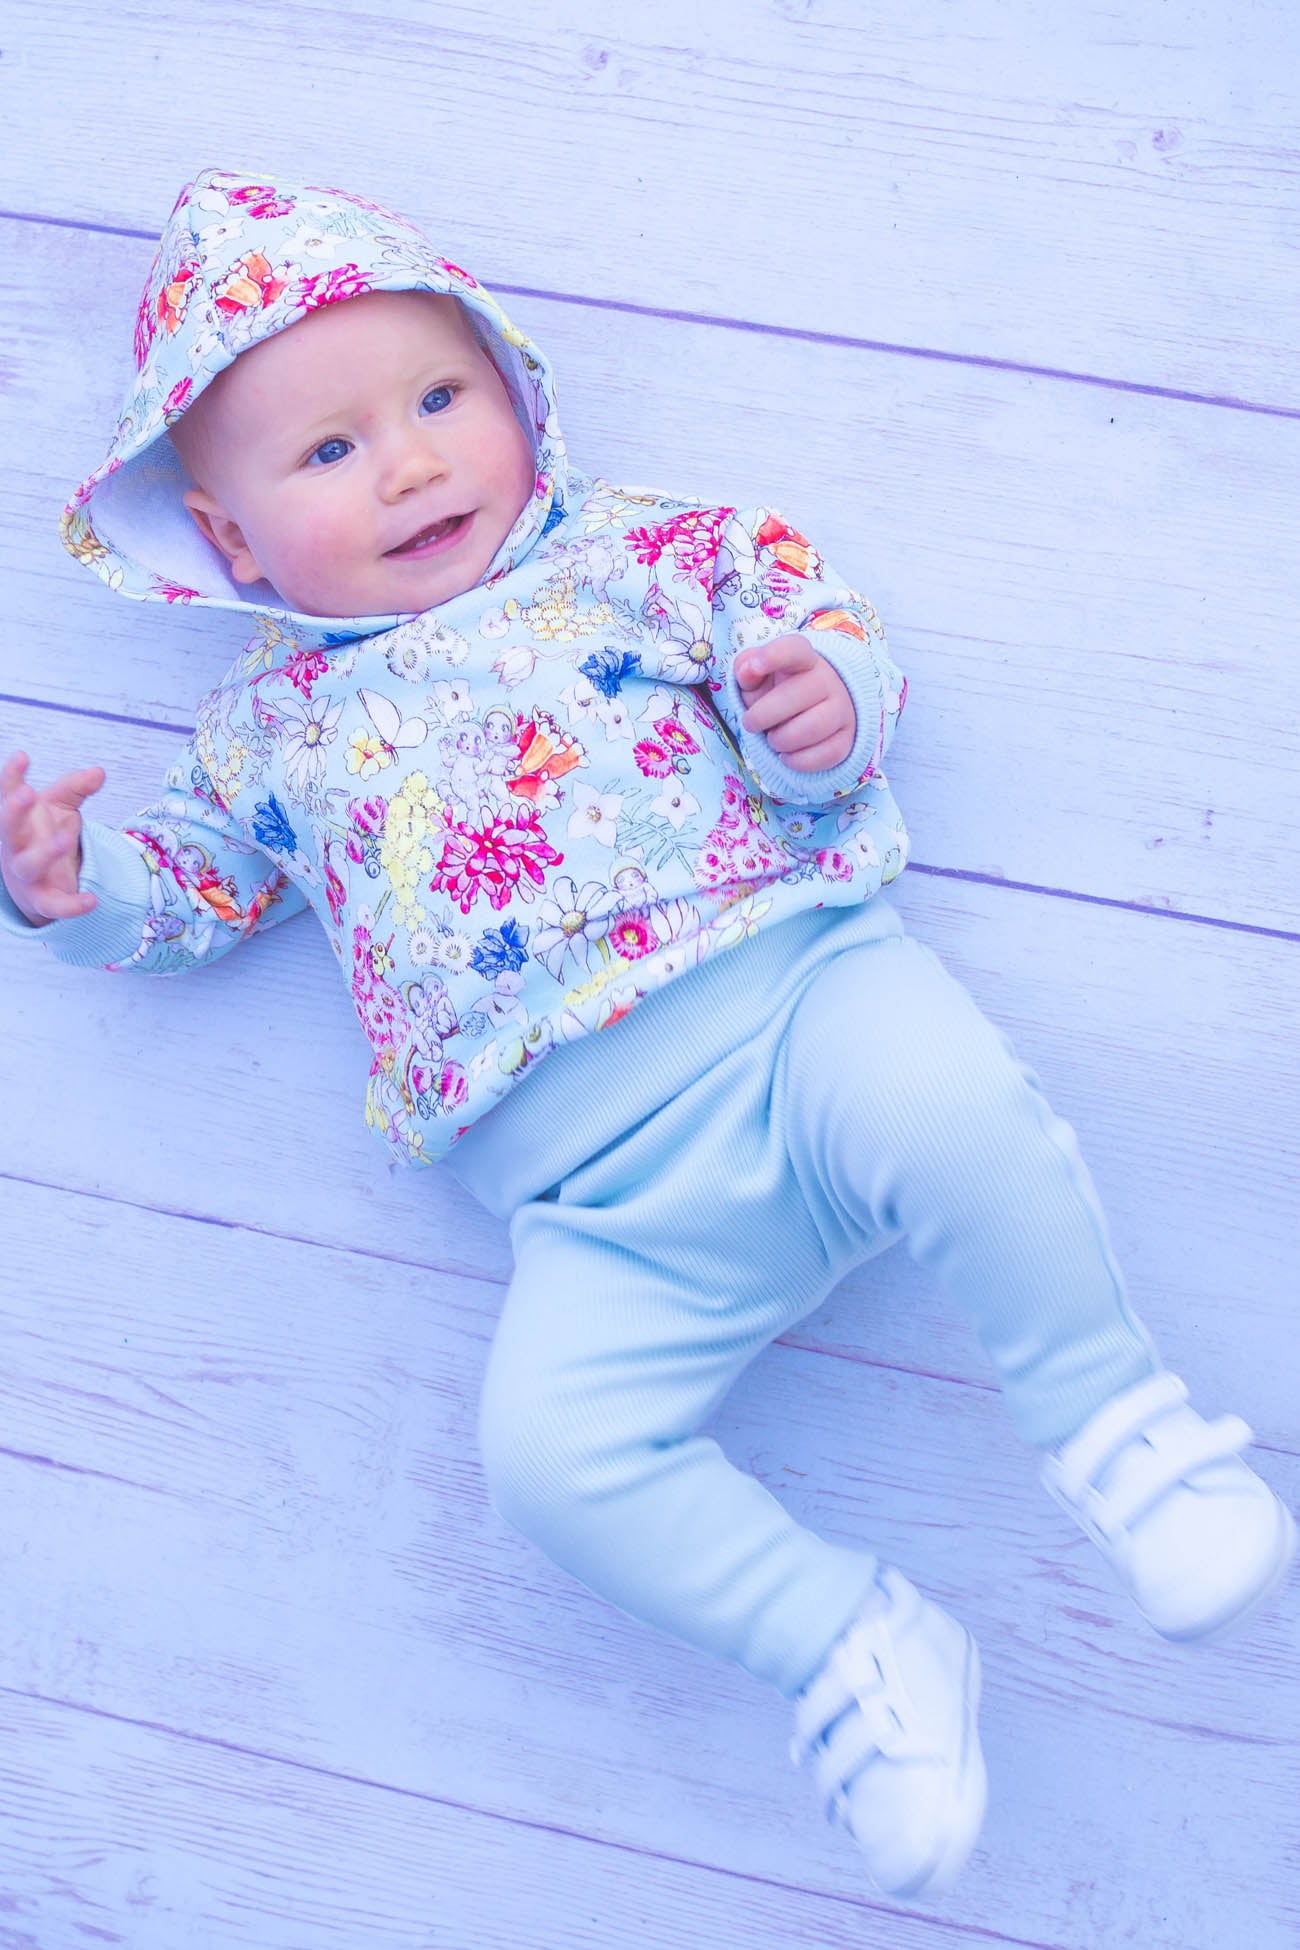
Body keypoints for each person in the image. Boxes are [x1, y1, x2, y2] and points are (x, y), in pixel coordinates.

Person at [1, 166, 1292, 1901]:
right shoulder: (269, 730)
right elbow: (198, 891)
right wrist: (73, 888)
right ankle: (851, 1641)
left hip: (796, 1015)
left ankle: (1125, 1434)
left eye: (439, 399)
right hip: (600, 1216)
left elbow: (816, 635)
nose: (408, 466)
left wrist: (825, 701)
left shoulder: (639, 553)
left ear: (513, 385)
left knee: (961, 1108)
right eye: (329, 451)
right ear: (229, 544)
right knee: (547, 1458)